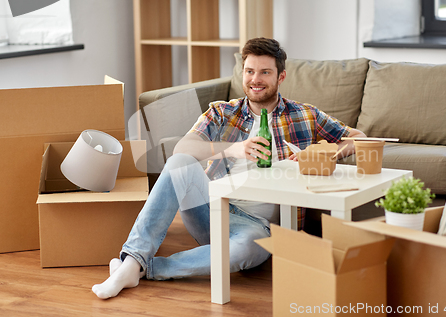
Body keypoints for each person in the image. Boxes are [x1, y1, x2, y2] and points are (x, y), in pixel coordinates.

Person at [92, 37, 367, 299]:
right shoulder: (223, 112)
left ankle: (140, 269)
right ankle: (133, 257)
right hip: (212, 210)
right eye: (249, 71)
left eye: (265, 72)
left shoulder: (305, 115)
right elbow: (182, 149)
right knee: (179, 164)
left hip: (259, 227)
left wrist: (318, 153)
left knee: (248, 248)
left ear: (280, 77)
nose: (255, 80)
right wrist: (232, 148)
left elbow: (359, 138)